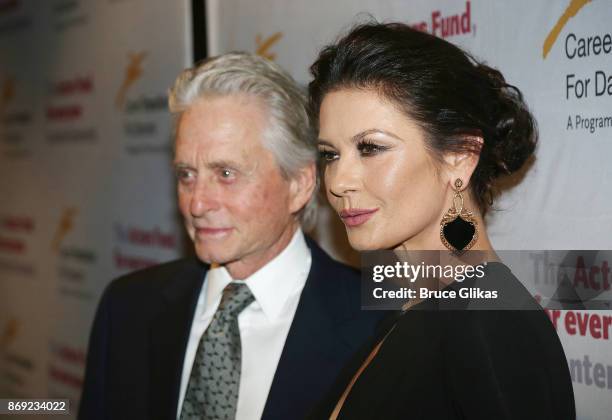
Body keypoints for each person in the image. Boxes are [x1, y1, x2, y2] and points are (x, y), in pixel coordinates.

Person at [78, 52, 384, 420]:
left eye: (226, 173)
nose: (197, 203)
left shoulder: (376, 324)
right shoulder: (126, 309)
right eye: (186, 174)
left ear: (300, 184)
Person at [307, 23, 575, 419]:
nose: (339, 181)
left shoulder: (492, 326)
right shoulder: (413, 315)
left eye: (371, 148)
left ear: (461, 156)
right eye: (331, 154)